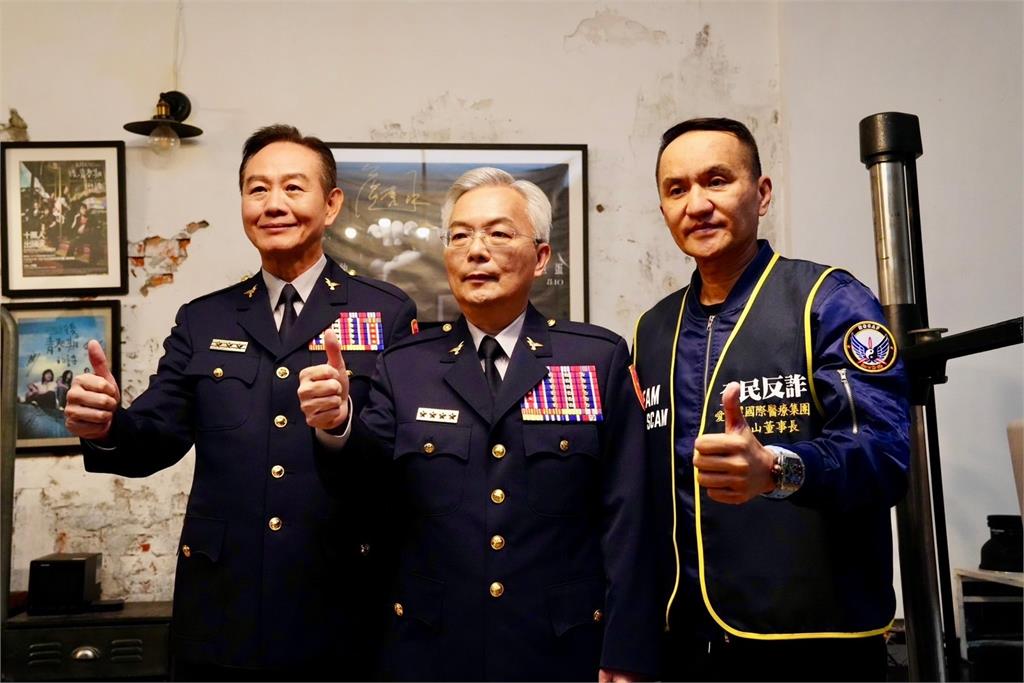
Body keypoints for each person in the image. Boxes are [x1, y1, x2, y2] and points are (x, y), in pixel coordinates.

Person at [64, 124, 417, 681]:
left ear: (331, 205)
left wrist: (342, 424)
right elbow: (156, 436)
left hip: (340, 606)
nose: (273, 204)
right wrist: (106, 425)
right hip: (222, 609)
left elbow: (400, 458)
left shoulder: (387, 312)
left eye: (293, 188)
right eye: (257, 189)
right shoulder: (204, 319)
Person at [300, 167, 660, 681]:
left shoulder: (595, 359)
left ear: (541, 257)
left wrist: (627, 649)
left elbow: (629, 514)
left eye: (498, 233)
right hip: (432, 649)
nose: (476, 251)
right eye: (460, 236)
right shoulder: (406, 366)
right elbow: (365, 489)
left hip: (562, 647)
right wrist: (337, 425)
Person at [632, 117, 910, 682]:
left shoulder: (828, 300)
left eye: (717, 180)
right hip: (683, 641)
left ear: (761, 194)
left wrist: (780, 469)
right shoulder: (652, 328)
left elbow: (884, 455)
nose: (697, 204)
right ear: (663, 209)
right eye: (677, 189)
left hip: (813, 643)